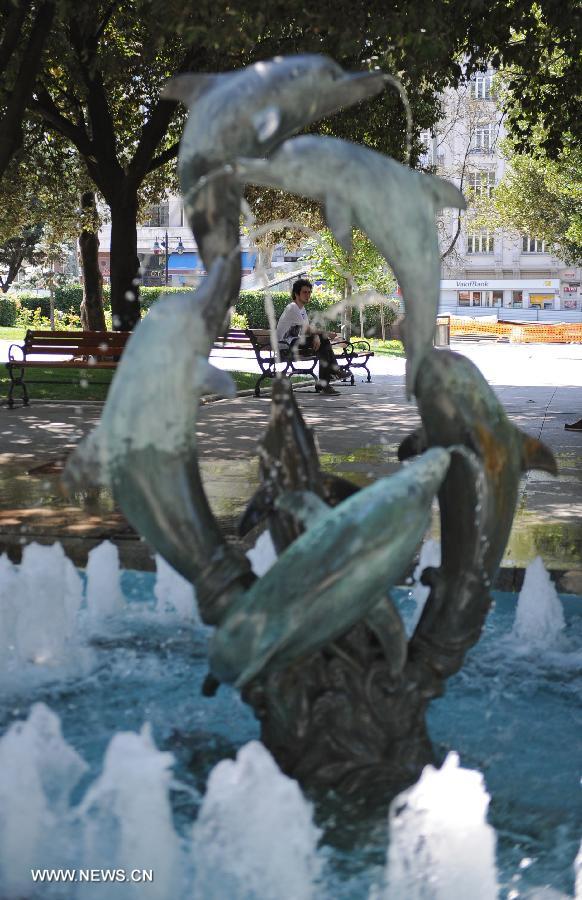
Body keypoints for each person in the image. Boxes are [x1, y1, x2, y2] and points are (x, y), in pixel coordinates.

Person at [276, 278, 344, 395]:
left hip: (294, 343)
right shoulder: (292, 307)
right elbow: (308, 330)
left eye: (309, 292)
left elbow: (307, 330)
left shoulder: (301, 309)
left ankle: (326, 382)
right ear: (296, 294)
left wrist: (317, 336)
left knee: (322, 346)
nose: (308, 295)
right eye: (304, 292)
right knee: (323, 340)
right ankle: (332, 374)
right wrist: (322, 335)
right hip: (284, 346)